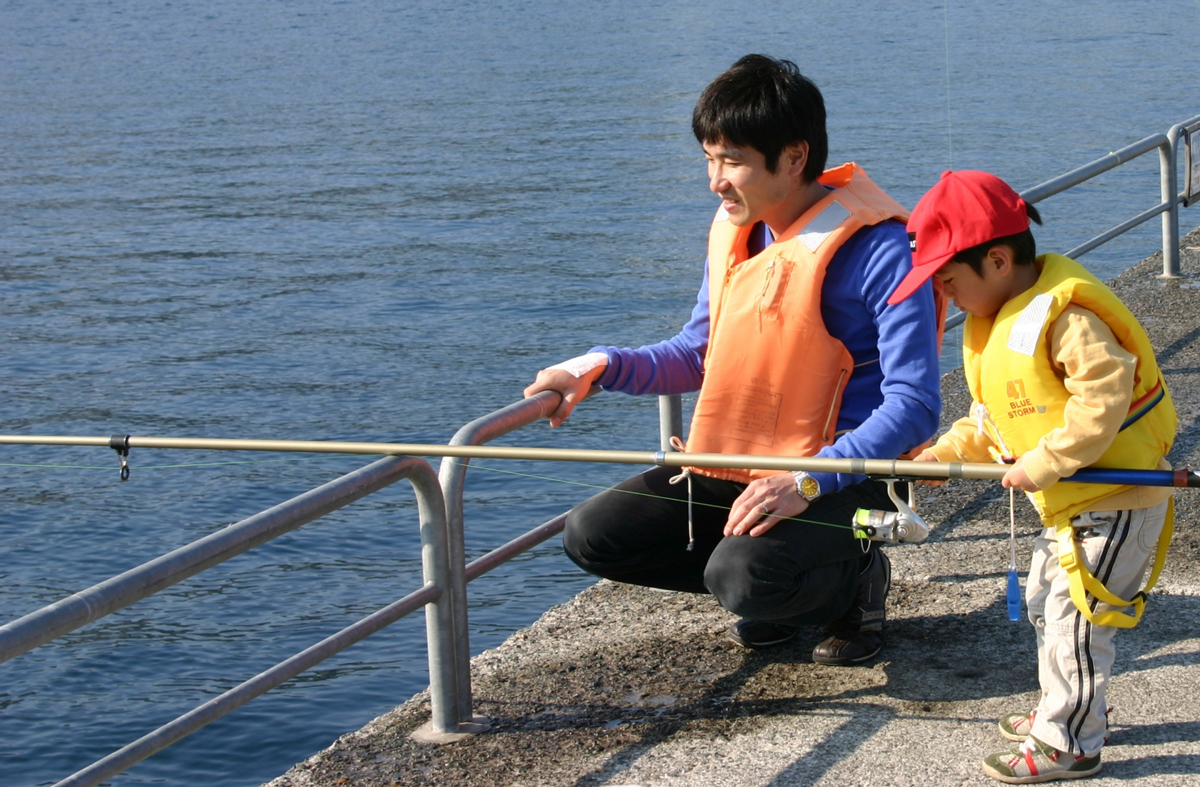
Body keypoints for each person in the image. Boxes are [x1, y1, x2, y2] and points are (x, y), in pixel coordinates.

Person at [524, 54, 943, 665]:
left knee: (742, 579)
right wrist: (595, 366)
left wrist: (808, 479)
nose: (716, 181)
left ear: (795, 158)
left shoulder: (881, 249)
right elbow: (697, 351)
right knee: (593, 535)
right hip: (739, 464)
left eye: (733, 162)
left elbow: (915, 405)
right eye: (709, 159)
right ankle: (784, 590)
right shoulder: (738, 229)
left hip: (844, 478)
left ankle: (854, 580)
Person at [891, 170, 1176, 783]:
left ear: (996, 260)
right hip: (1073, 504)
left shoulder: (1067, 318)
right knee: (1050, 605)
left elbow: (1103, 397)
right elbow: (992, 420)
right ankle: (1065, 707)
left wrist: (1043, 464)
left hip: (1117, 496)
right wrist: (944, 455)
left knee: (1078, 617)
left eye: (948, 279)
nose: (944, 295)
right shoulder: (998, 321)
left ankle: (1069, 743)